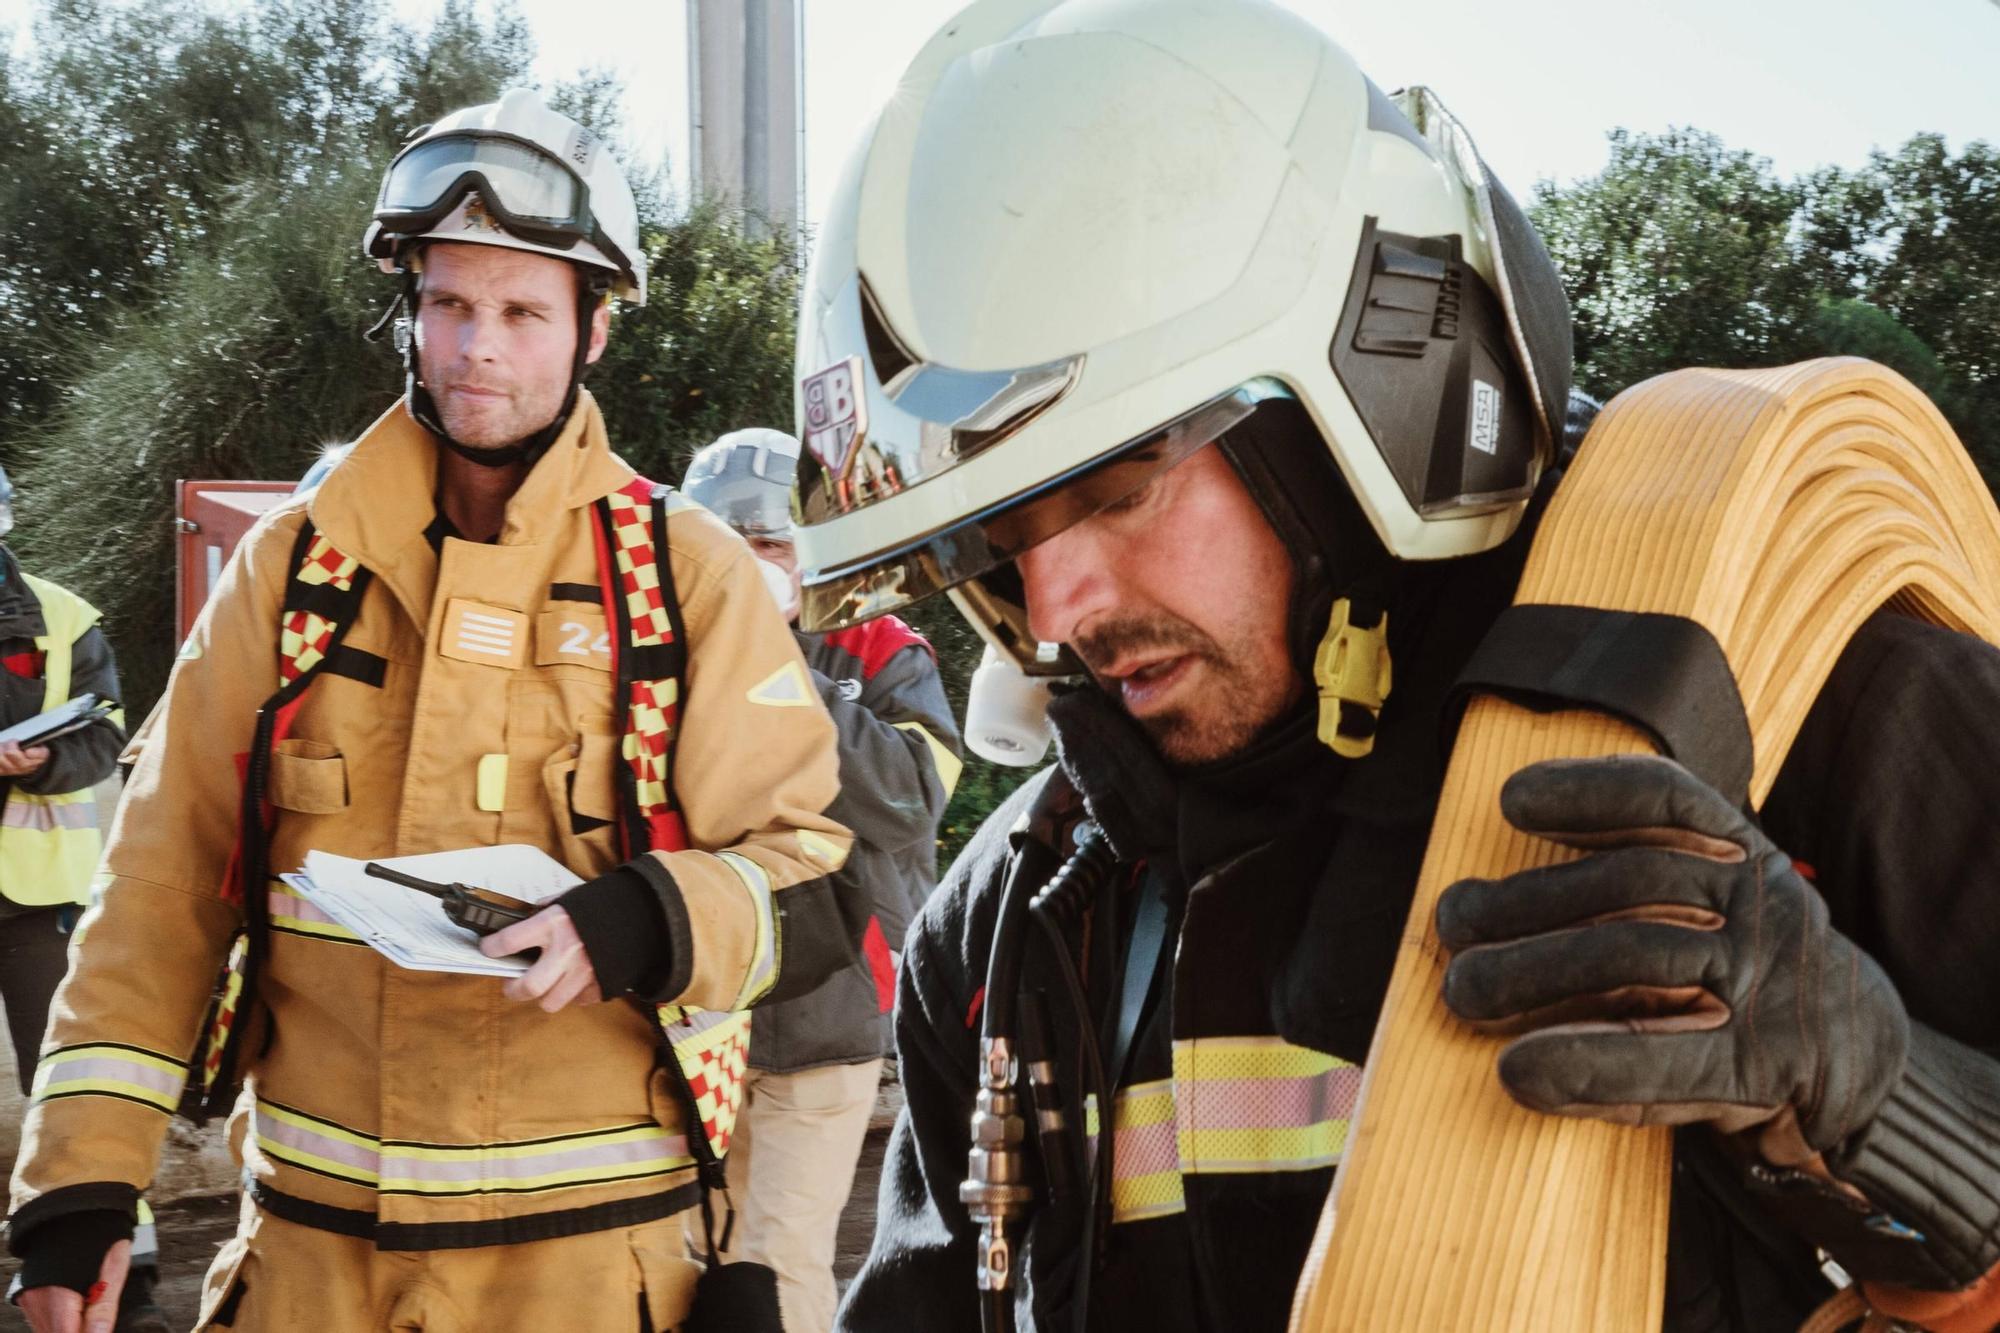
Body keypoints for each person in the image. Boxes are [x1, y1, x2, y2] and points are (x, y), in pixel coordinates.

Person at [798, 4, 2000, 1332]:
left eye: (1118, 485)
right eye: (1004, 537)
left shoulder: (1836, 721)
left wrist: (1889, 1108)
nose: (1058, 605)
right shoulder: (1017, 923)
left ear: (1371, 396)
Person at [8, 89, 856, 1332]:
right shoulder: (294, 568)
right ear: (410, 312)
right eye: (450, 305)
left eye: (521, 311)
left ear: (593, 331)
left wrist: (649, 914)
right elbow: (159, 887)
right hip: (311, 1272)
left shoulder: (686, 574)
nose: (478, 348)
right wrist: (79, 1182)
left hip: (589, 1277)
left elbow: (808, 891)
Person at [682, 427, 961, 1333]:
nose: (752, 563)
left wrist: (778, 665)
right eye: (731, 545)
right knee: (691, 1253)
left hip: (832, 1007)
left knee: (779, 1260)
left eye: (770, 543)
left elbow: (911, 801)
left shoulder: (883, 651)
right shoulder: (672, 655)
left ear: (813, 548)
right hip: (702, 1013)